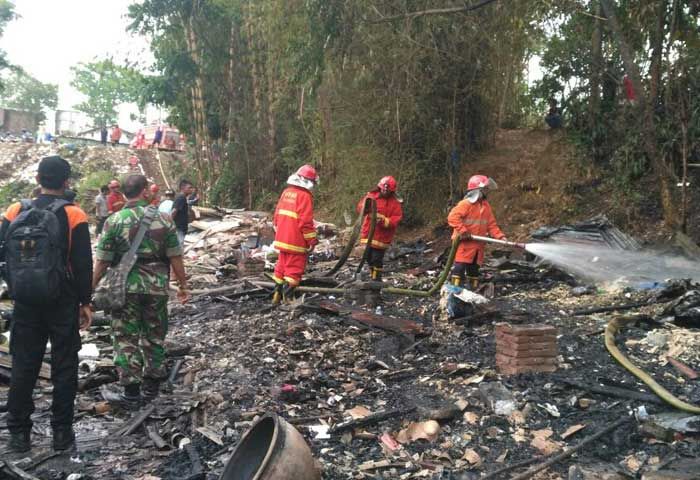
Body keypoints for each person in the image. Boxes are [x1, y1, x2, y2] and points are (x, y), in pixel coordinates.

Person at [0, 155, 93, 452]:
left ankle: (18, 435)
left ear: (38, 179)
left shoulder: (15, 210)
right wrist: (85, 302)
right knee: (65, 366)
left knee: (24, 365)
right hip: (62, 301)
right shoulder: (75, 214)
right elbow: (82, 264)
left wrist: (14, 285)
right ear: (66, 182)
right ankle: (62, 434)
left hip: (25, 300)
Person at [93, 175, 189, 407]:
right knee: (154, 333)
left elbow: (103, 261)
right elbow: (175, 256)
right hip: (156, 286)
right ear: (145, 190)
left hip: (124, 288)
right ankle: (153, 385)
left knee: (126, 337)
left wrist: (91, 287)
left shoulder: (114, 221)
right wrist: (183, 285)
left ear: (124, 193)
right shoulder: (164, 220)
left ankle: (132, 392)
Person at [447, 175, 506, 291]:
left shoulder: (485, 206)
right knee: (459, 267)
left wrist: (500, 236)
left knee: (474, 269)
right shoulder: (466, 204)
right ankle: (454, 291)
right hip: (464, 243)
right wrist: (463, 231)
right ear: (477, 190)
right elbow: (452, 217)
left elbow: (491, 225)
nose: (487, 191)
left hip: (478, 244)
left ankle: (473, 291)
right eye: (485, 189)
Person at [271, 165, 319, 304]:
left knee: (281, 267)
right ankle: (288, 298)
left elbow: (276, 215)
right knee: (294, 269)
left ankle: (276, 296)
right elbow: (305, 222)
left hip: (282, 238)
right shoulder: (305, 196)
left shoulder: (287, 192)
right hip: (295, 241)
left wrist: (278, 231)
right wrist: (312, 240)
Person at [356, 176, 403, 281]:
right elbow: (360, 208)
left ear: (391, 191)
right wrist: (366, 207)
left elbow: (396, 219)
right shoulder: (371, 196)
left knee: (376, 259)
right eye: (383, 189)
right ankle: (373, 275)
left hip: (382, 238)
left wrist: (383, 220)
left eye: (387, 190)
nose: (384, 192)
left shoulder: (395, 203)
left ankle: (377, 279)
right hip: (368, 234)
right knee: (367, 257)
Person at [171, 179, 194, 246]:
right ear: (183, 188)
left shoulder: (183, 197)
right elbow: (173, 212)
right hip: (179, 228)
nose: (191, 189)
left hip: (181, 228)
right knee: (180, 246)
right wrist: (170, 226)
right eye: (189, 188)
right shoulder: (181, 198)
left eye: (191, 188)